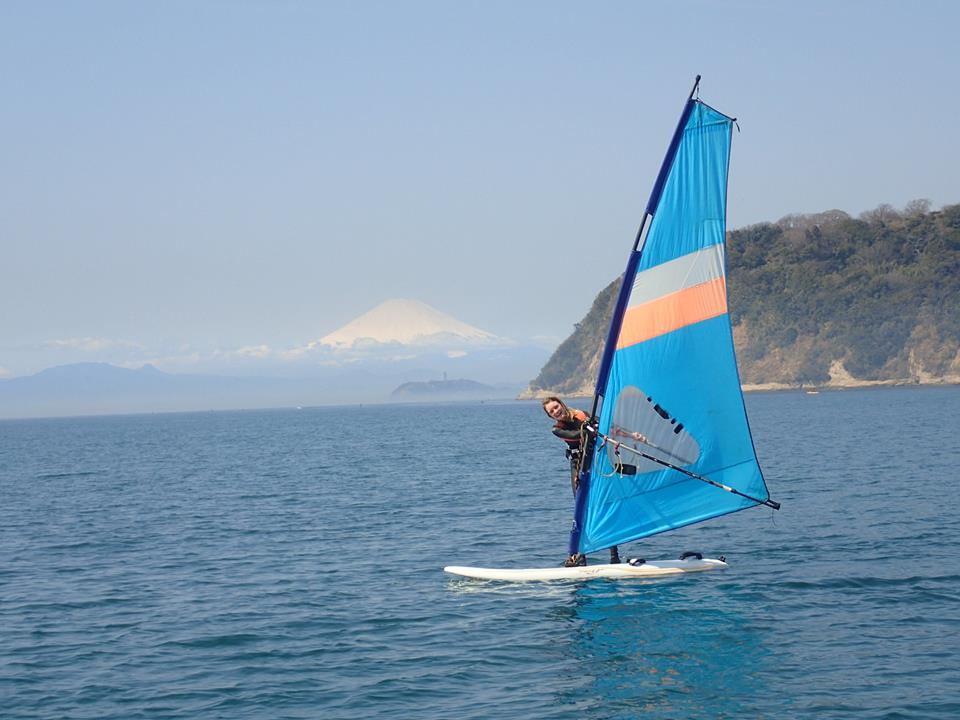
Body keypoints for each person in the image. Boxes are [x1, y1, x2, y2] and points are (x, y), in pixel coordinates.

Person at [542, 396, 620, 567]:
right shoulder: (557, 429)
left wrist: (600, 427)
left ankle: (615, 557)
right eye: (552, 411)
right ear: (550, 416)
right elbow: (577, 434)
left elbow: (605, 426)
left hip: (596, 465)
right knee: (581, 510)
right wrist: (590, 428)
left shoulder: (581, 415)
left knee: (605, 505)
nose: (556, 411)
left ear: (561, 404)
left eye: (556, 407)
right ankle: (580, 556)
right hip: (578, 467)